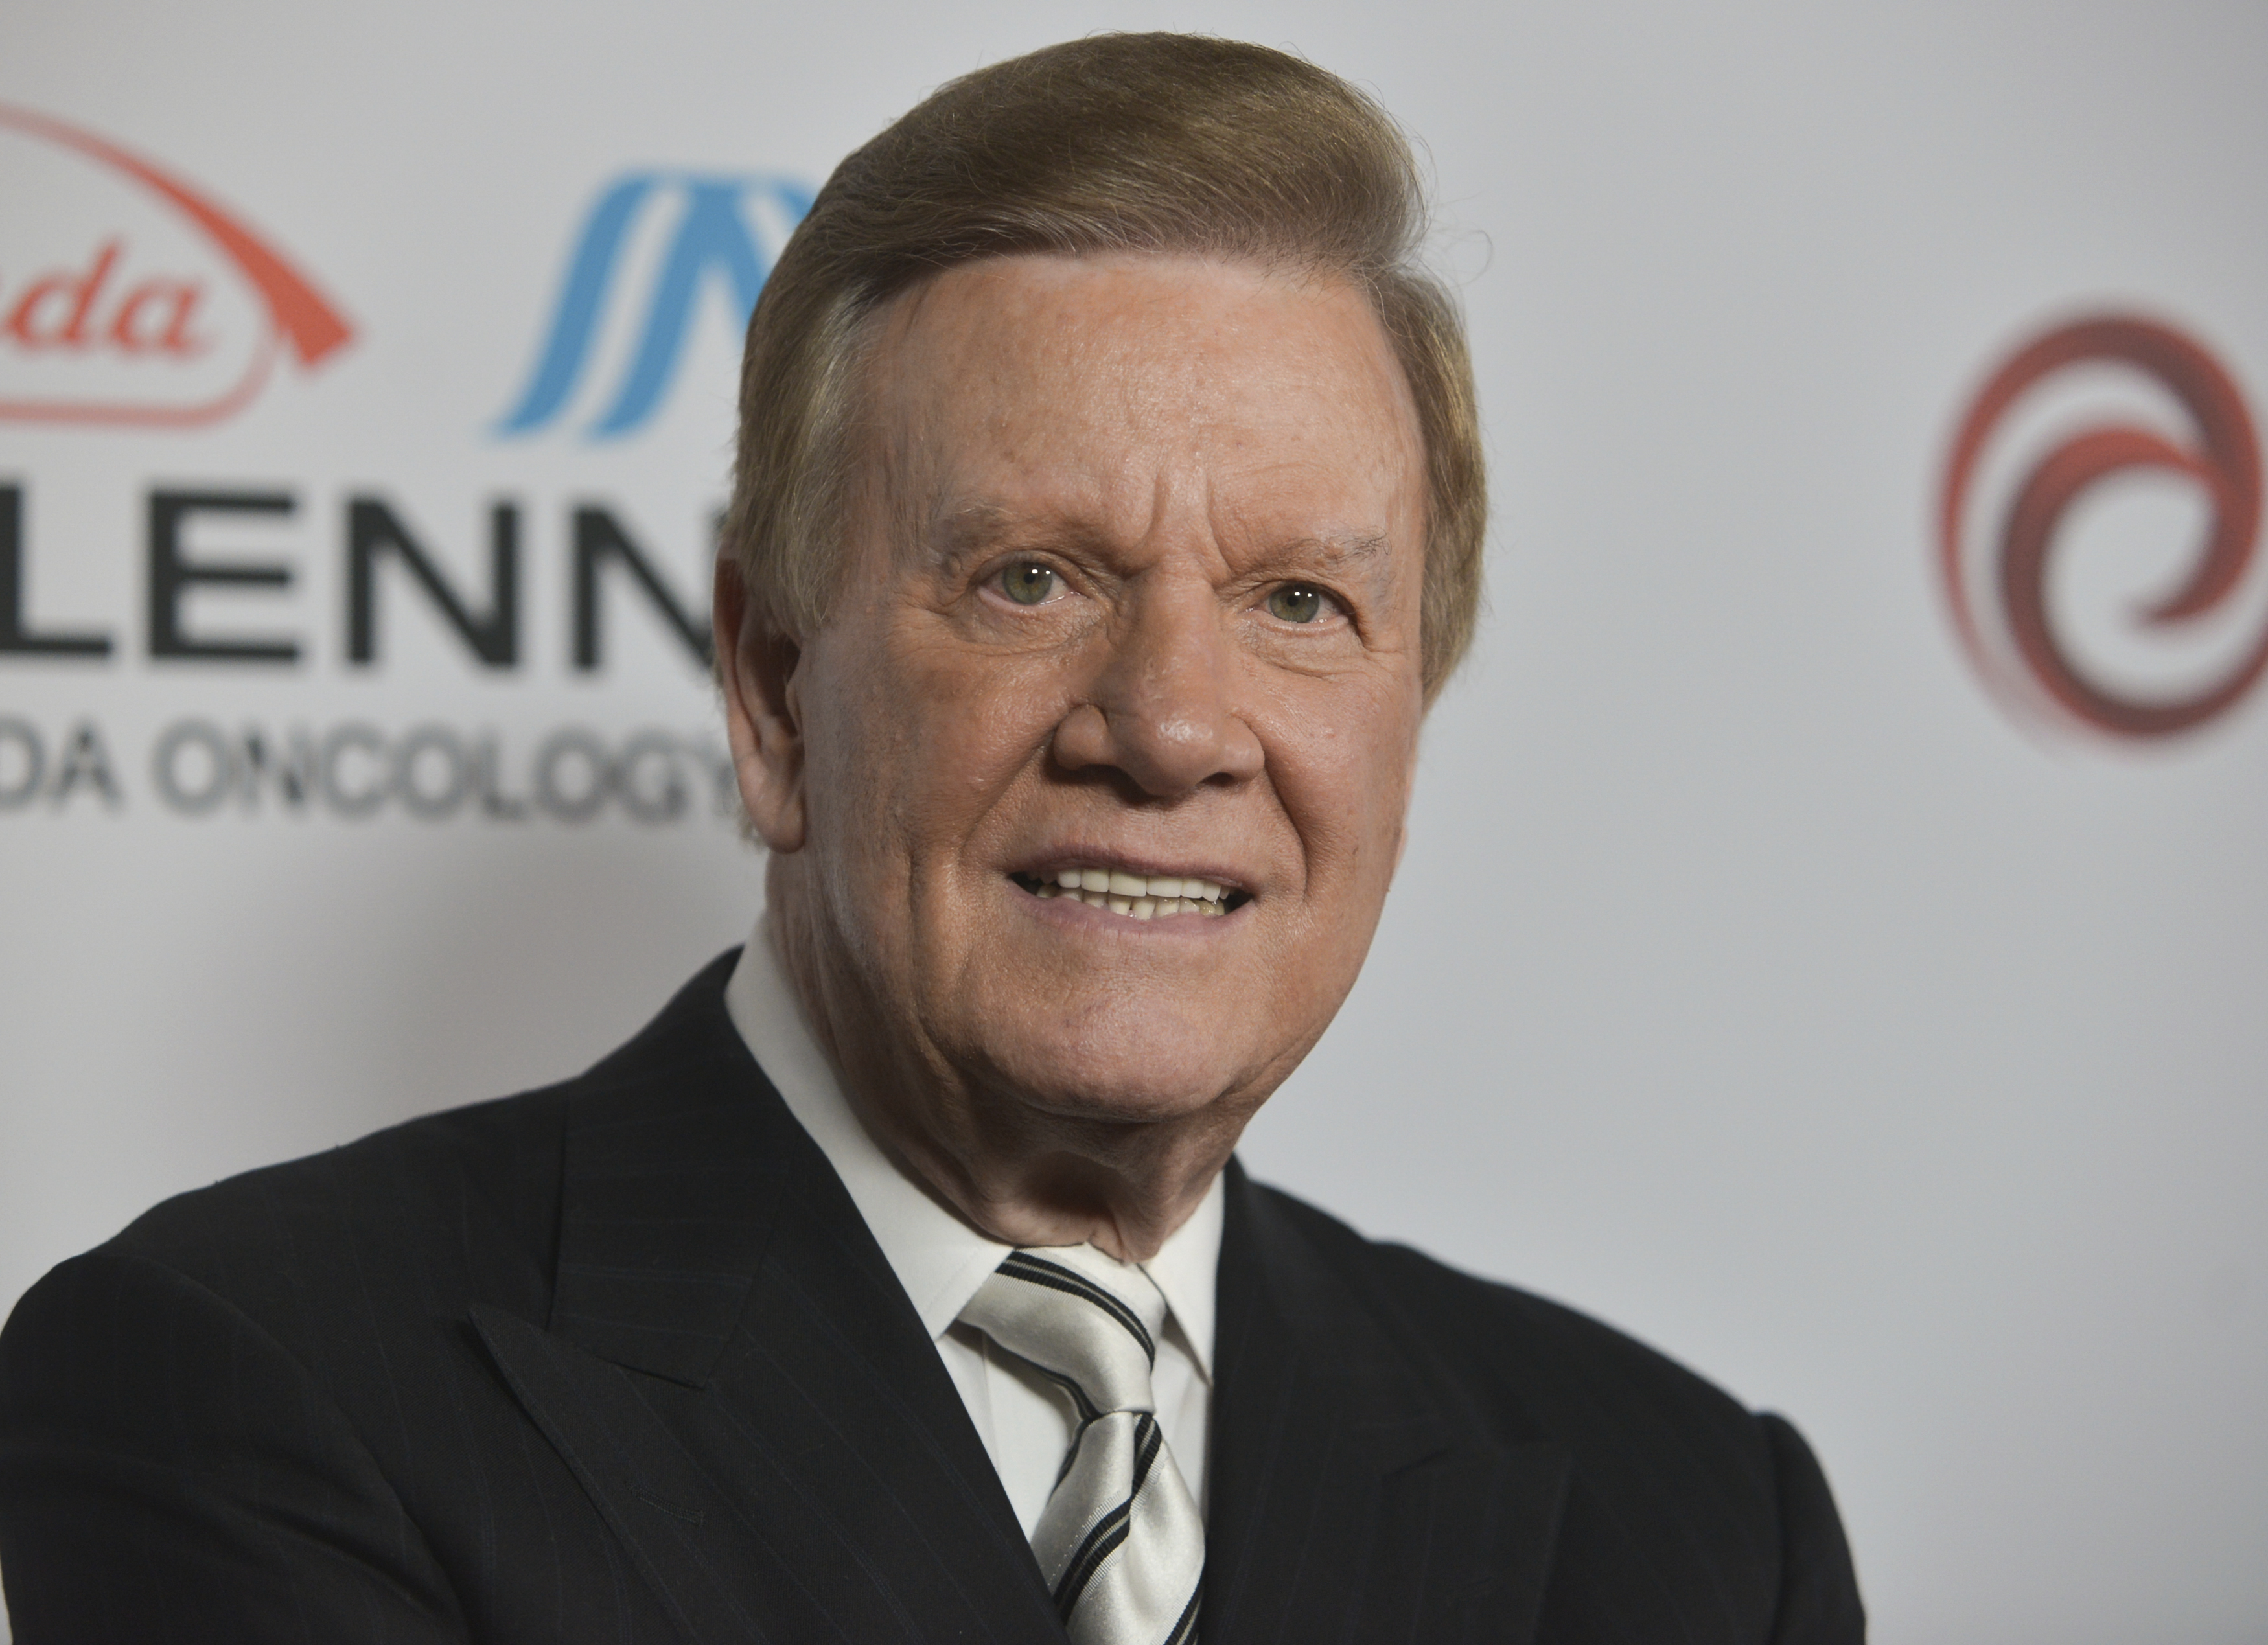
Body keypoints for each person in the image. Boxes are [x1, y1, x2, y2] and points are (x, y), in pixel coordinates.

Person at [0, 33, 1864, 1644]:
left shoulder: (1692, 1523)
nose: (1172, 724)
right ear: (772, 683)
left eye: (1299, 601)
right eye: (1030, 577)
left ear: (1409, 708)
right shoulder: (255, 1385)